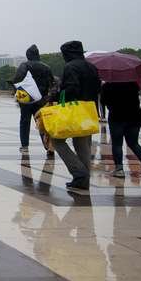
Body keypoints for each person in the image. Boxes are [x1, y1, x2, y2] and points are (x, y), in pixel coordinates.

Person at [51, 41, 101, 192]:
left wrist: (57, 95)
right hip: (90, 110)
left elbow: (71, 88)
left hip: (75, 110)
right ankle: (83, 180)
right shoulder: (92, 67)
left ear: (68, 54)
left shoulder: (70, 67)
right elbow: (98, 88)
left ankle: (79, 173)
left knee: (57, 141)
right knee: (83, 145)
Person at [101, 81, 141, 180]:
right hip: (134, 118)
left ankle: (119, 169)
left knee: (117, 144)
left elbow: (103, 101)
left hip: (116, 118)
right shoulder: (133, 84)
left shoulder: (107, 86)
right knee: (134, 143)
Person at [12, 45, 54, 157]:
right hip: (41, 99)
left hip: (26, 99)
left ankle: (25, 146)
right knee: (42, 122)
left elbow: (17, 80)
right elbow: (52, 83)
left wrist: (16, 93)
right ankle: (48, 145)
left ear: (28, 55)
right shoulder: (46, 67)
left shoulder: (24, 65)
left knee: (24, 121)